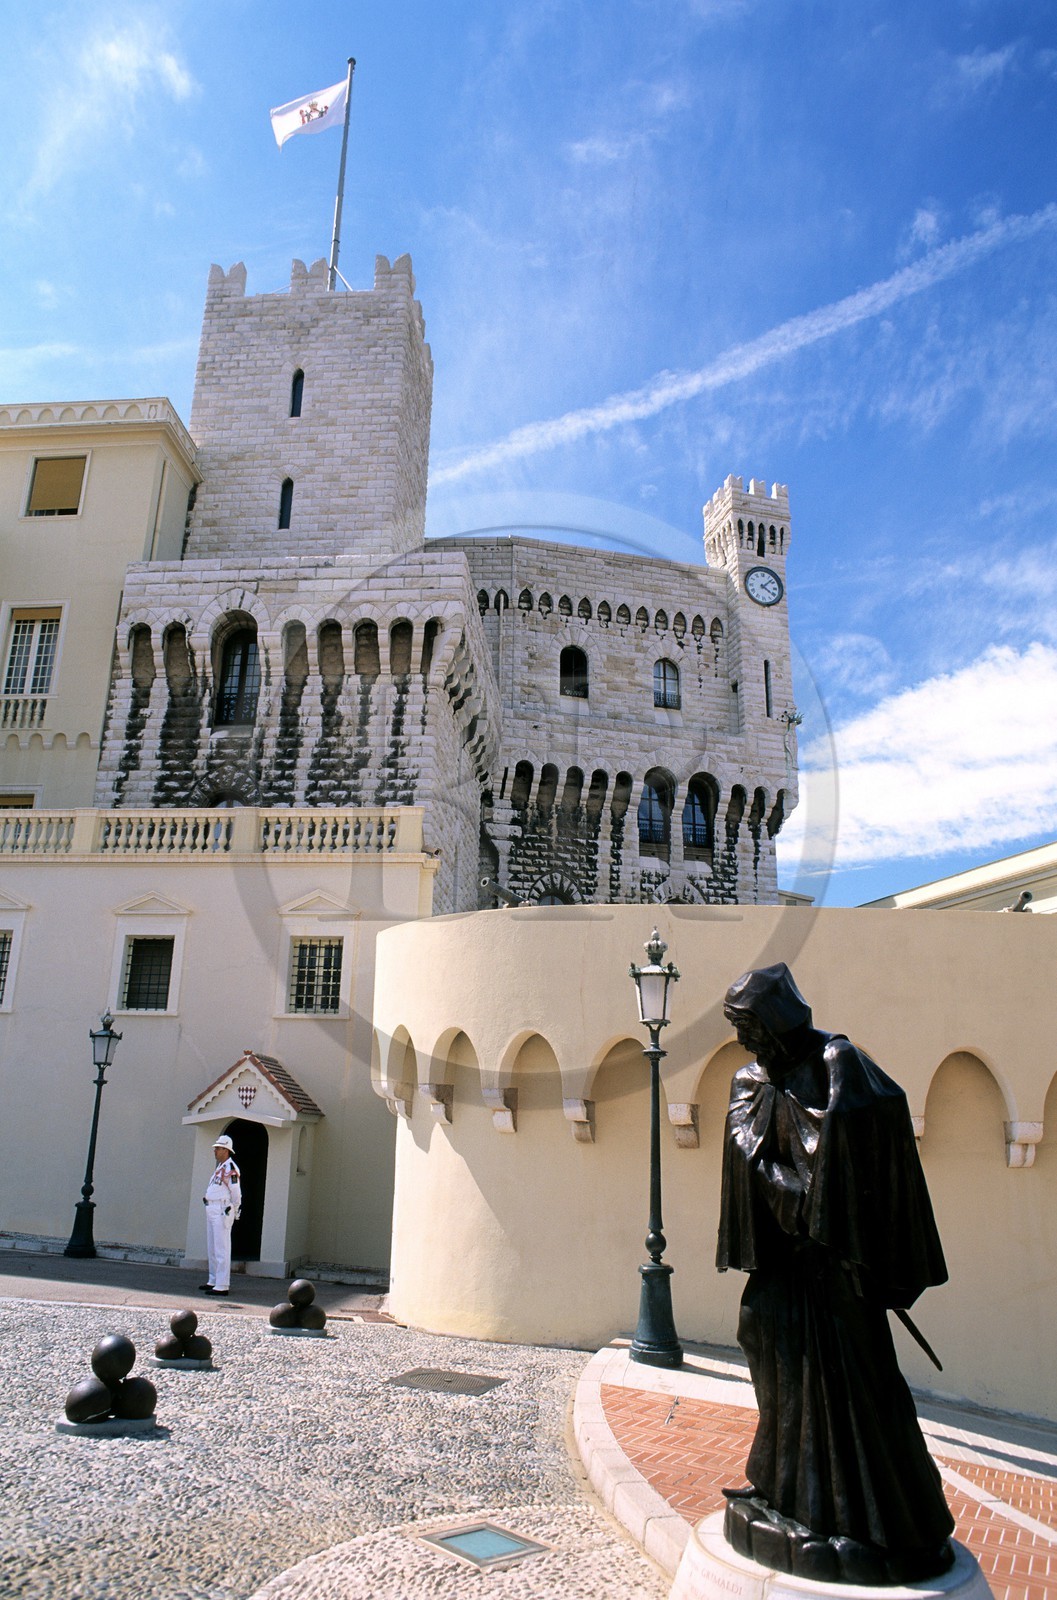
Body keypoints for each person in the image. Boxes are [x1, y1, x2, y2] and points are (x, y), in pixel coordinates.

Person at [716, 964, 955, 1585]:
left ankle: (879, 1522)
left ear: (775, 1018)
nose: (745, 1042)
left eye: (748, 1027)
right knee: (762, 1342)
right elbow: (748, 1149)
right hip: (784, 1264)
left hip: (833, 1271)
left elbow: (875, 1138)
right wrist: (788, 1191)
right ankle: (781, 1488)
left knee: (856, 1385)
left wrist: (842, 1224)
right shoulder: (753, 1079)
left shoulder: (838, 1064)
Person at [200, 1134, 241, 1297]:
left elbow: (236, 1192)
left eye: (218, 1148)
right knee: (212, 1246)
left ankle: (222, 1284)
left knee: (221, 1247)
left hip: (222, 1209)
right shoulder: (220, 1167)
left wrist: (235, 1209)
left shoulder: (230, 1168)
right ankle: (213, 1279)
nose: (215, 1151)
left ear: (226, 1150)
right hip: (212, 1208)